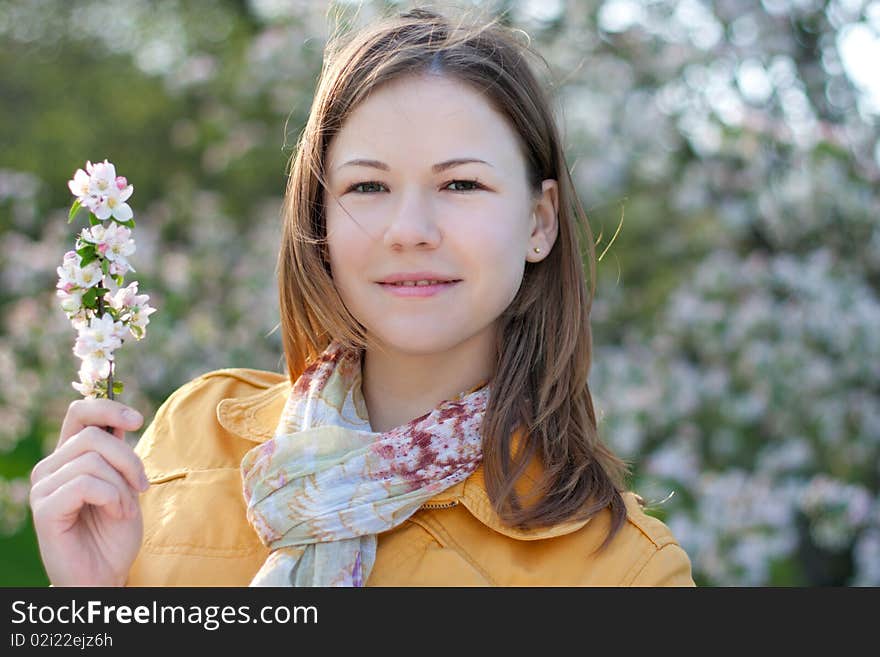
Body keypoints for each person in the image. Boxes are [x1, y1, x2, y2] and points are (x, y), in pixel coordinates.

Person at [29, 7, 695, 587]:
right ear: (318, 219)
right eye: (367, 188)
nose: (409, 231)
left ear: (539, 222)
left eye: (461, 185)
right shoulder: (191, 438)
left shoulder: (623, 570)